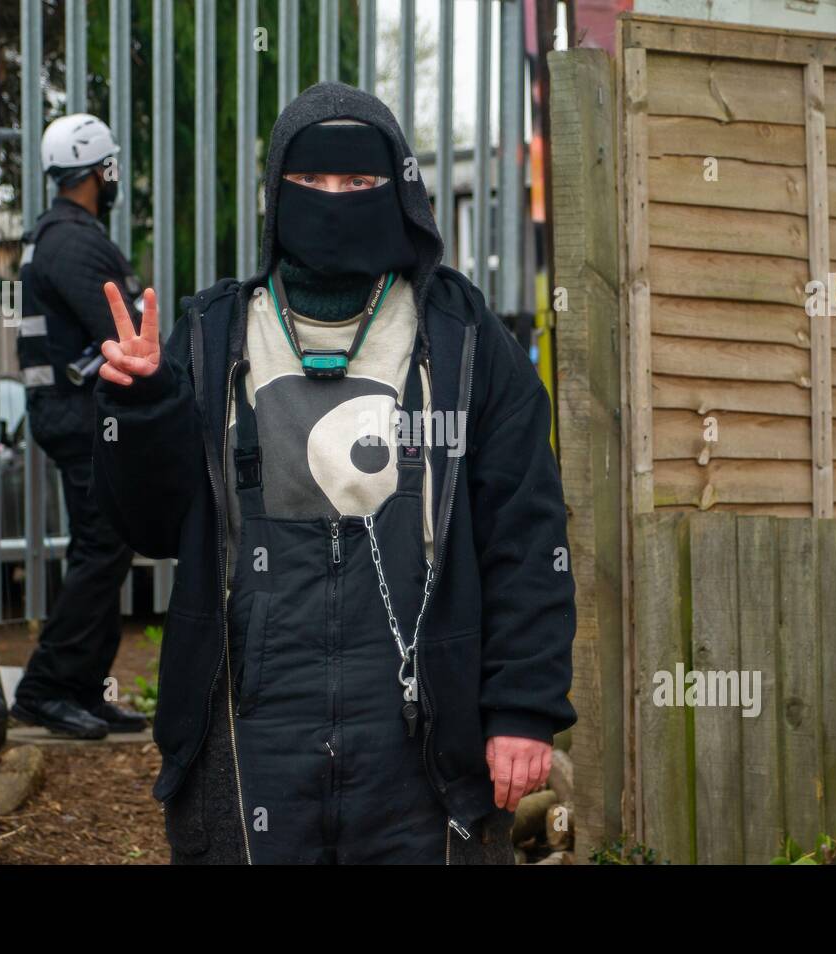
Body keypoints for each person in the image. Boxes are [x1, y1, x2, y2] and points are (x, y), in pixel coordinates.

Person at [94, 83, 576, 864]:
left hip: (423, 734)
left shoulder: (462, 337)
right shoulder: (215, 333)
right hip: (251, 726)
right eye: (311, 183)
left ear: (401, 193)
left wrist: (522, 706)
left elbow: (526, 533)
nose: (334, 201)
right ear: (276, 195)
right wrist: (143, 406)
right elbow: (149, 527)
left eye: (359, 184)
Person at [11, 113, 146, 739]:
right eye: (111, 166)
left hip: (69, 415)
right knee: (102, 550)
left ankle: (82, 691)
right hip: (83, 418)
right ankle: (46, 690)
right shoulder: (74, 240)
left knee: (103, 548)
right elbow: (124, 335)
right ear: (98, 171)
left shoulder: (53, 235)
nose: (115, 177)